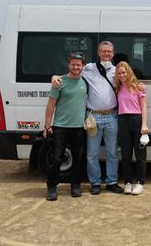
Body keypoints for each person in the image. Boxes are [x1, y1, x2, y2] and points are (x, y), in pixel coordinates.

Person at [52, 41, 125, 195]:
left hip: (112, 116)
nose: (106, 54)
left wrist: (140, 86)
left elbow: (129, 81)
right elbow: (72, 71)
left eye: (109, 52)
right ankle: (95, 183)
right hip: (93, 117)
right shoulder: (89, 68)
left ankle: (112, 182)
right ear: (98, 53)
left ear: (113, 53)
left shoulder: (116, 70)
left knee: (112, 152)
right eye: (103, 51)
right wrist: (54, 77)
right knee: (92, 153)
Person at [43, 52, 88, 201]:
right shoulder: (59, 82)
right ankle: (51, 188)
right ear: (69, 65)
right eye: (73, 64)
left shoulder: (85, 82)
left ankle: (75, 186)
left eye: (79, 64)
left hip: (79, 128)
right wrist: (47, 125)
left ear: (83, 66)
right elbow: (51, 105)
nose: (76, 67)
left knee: (79, 159)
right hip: (60, 127)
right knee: (56, 158)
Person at [114, 61, 149, 195]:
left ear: (129, 72)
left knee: (140, 156)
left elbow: (144, 107)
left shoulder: (138, 87)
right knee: (126, 155)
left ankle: (140, 183)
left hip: (137, 120)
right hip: (123, 121)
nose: (122, 75)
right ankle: (127, 182)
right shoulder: (117, 88)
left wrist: (144, 124)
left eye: (124, 72)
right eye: (119, 73)